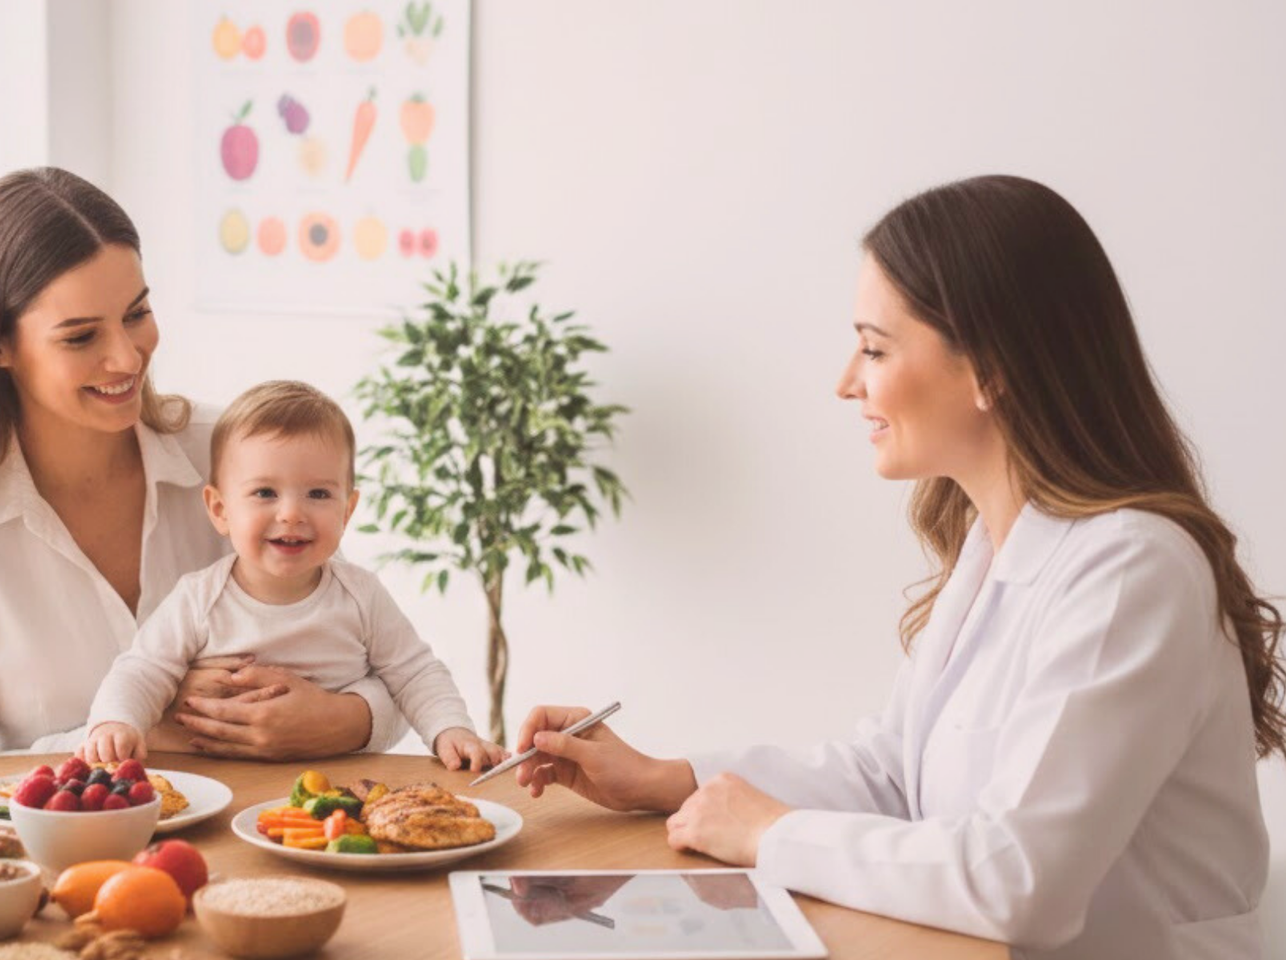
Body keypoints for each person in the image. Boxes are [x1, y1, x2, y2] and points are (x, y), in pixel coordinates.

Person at [513, 175, 1281, 959]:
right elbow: (891, 776)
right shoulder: (994, 548)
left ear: (991, 368)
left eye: (875, 348)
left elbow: (1020, 885)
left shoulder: (1131, 572)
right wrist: (667, 778)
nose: (848, 383)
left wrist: (773, 833)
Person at [0, 167, 409, 761]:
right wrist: (145, 731)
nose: (125, 357)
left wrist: (343, 720)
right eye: (80, 336)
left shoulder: (230, 456)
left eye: (137, 314)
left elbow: (388, 658)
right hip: (56, 854)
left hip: (263, 838)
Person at [82, 380, 505, 772]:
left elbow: (415, 673)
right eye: (265, 493)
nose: (291, 513)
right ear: (220, 510)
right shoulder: (198, 597)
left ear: (347, 510)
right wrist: (116, 723)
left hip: (335, 784)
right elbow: (143, 671)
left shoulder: (360, 595)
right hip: (224, 785)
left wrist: (452, 731)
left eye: (318, 494)